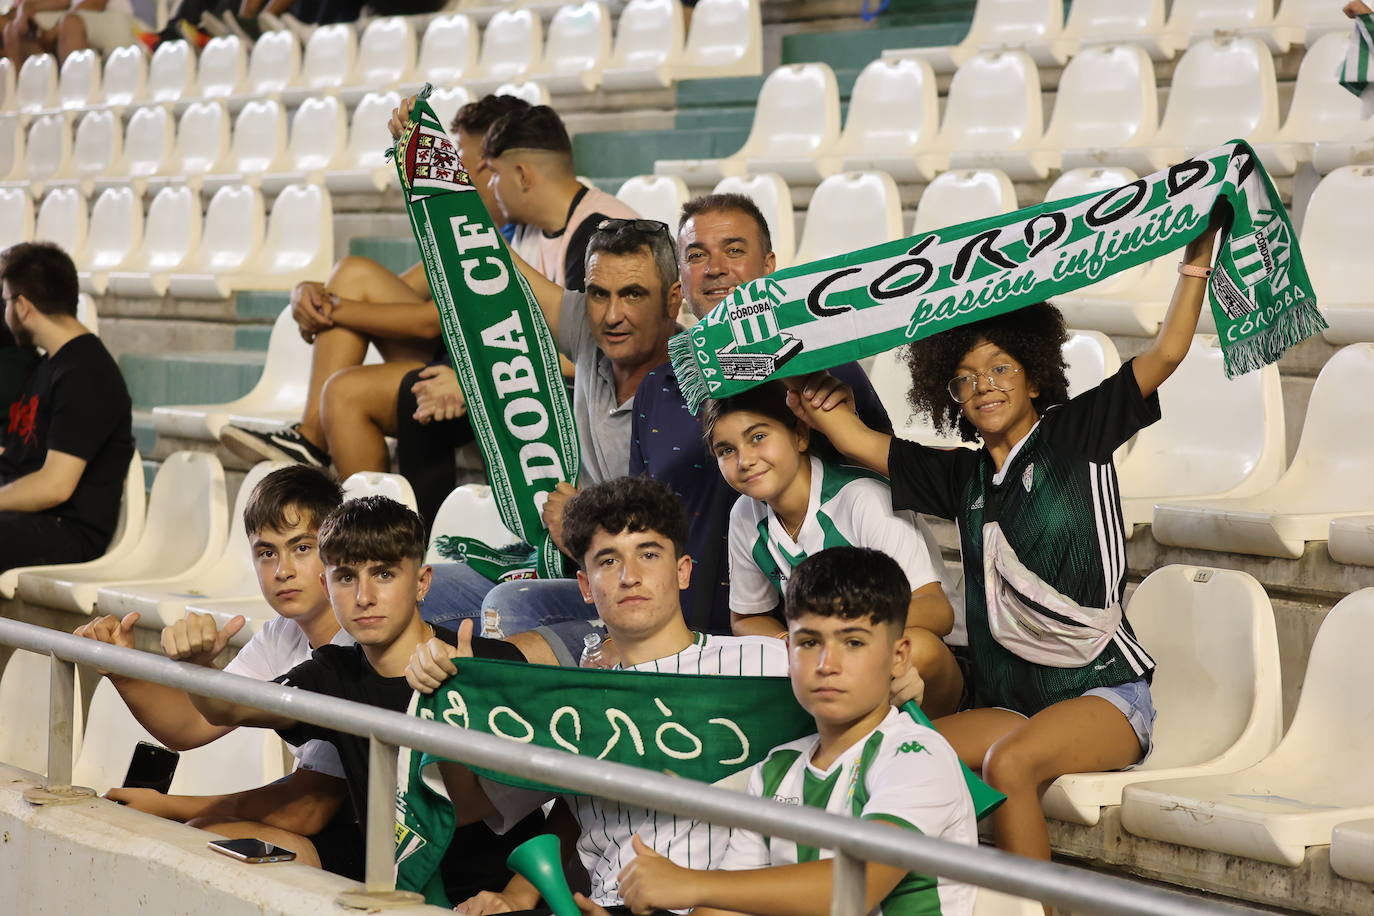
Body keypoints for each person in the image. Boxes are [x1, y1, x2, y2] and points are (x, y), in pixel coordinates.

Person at [790, 223, 1223, 875]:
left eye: (999, 369)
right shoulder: (963, 474)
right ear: (950, 396)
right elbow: (857, 441)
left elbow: (1166, 352)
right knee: (893, 755)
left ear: (1033, 373)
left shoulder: (1074, 434)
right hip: (1010, 707)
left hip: (1103, 696)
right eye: (964, 379)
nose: (984, 387)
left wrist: (1195, 264)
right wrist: (808, 389)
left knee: (1010, 764)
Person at [404, 476, 791, 913]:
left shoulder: (771, 663)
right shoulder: (572, 700)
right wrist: (456, 703)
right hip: (607, 906)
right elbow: (471, 804)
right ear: (585, 586)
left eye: (648, 554)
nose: (630, 576)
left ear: (683, 571)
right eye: (608, 561)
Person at [183, 494, 541, 903]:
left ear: (422, 582)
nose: (364, 597)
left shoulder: (490, 662)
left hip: (489, 888)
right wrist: (198, 666)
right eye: (347, 578)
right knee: (207, 837)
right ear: (326, 585)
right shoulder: (334, 671)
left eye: (384, 574)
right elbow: (226, 708)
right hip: (386, 874)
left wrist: (518, 896)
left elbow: (555, 798)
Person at [616, 546, 977, 916]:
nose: (827, 664)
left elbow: (856, 886)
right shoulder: (777, 770)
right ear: (788, 651)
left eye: (853, 642)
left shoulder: (916, 755)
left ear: (898, 657)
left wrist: (692, 884)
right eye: (809, 643)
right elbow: (725, 910)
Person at [218, 94, 532, 479]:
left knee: (344, 388)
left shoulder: (525, 234)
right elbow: (384, 291)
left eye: (460, 155)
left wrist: (329, 308)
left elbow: (429, 323)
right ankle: (310, 441)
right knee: (353, 274)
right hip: (450, 354)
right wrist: (307, 292)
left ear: (488, 163)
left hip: (487, 372)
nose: (455, 165)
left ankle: (316, 449)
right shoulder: (476, 224)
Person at [72, 466, 361, 874]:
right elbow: (191, 725)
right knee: (199, 833)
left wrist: (169, 807)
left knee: (201, 837)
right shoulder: (281, 634)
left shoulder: (356, 645)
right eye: (267, 552)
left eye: (301, 548)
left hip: (387, 851)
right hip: (336, 832)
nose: (282, 571)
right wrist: (121, 669)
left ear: (337, 550)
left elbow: (308, 810)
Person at [629, 193, 893, 635]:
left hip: (810, 648)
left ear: (768, 267)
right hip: (683, 641)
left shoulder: (825, 369)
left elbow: (886, 485)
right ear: (682, 275)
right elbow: (641, 524)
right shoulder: (657, 387)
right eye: (697, 255)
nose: (715, 267)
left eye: (735, 250)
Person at [421, 218, 686, 647]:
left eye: (633, 295)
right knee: (421, 589)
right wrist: (442, 189)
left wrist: (583, 525)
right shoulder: (589, 329)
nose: (613, 315)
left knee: (512, 605)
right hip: (571, 566)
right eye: (599, 294)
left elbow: (673, 539)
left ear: (672, 300)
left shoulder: (692, 386)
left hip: (637, 590)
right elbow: (498, 263)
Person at [702, 380, 963, 718]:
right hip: (835, 662)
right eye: (726, 450)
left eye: (758, 437)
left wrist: (836, 634)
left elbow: (938, 613)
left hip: (941, 663)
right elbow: (747, 617)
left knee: (918, 646)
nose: (745, 460)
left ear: (799, 435)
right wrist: (792, 639)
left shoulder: (862, 498)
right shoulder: (744, 515)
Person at [0, 242, 133, 573]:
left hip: (65, 530)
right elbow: (15, 454)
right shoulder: (48, 365)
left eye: (5, 302)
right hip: (24, 520)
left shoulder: (87, 374)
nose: (4, 314)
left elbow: (54, 486)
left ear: (23, 307)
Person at [485, 105, 640, 292]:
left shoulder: (605, 230)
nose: (490, 185)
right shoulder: (526, 228)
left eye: (495, 173)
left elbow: (580, 320)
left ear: (522, 176)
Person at [4, 1, 145, 67]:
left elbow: (95, 4)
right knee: (14, 30)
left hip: (126, 24)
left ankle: (76, 99)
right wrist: (25, 9)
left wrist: (56, 30)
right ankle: (31, 107)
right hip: (78, 18)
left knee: (71, 24)